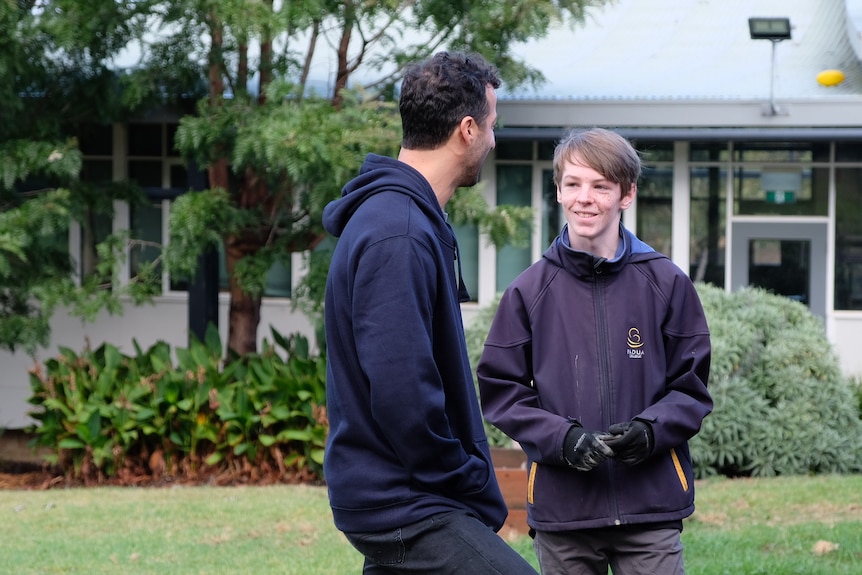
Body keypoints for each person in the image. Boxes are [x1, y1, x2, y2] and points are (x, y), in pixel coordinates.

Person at [322, 51, 539, 575]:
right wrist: (463, 474)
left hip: (401, 495)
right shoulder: (397, 233)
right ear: (467, 128)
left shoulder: (404, 219)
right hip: (409, 503)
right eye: (491, 125)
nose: (493, 139)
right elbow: (402, 390)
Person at [476, 127, 713, 575]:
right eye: (573, 184)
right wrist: (561, 439)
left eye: (600, 186)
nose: (584, 198)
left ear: (626, 195)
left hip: (651, 508)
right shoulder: (528, 291)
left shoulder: (666, 283)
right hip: (564, 511)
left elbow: (692, 388)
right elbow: (500, 389)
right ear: (559, 191)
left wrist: (651, 430)